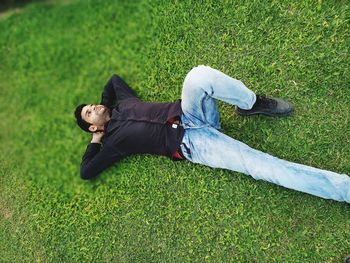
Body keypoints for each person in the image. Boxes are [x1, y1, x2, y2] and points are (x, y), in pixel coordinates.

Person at [74, 65, 350, 203]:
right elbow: (86, 170)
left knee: (198, 75)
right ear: (93, 127)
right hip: (194, 144)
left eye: (91, 105)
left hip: (191, 113)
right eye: (90, 113)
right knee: (261, 165)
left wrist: (104, 108)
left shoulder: (121, 102)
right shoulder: (112, 144)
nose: (94, 107)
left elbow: (113, 81)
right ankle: (344, 189)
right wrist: (96, 139)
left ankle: (250, 104)